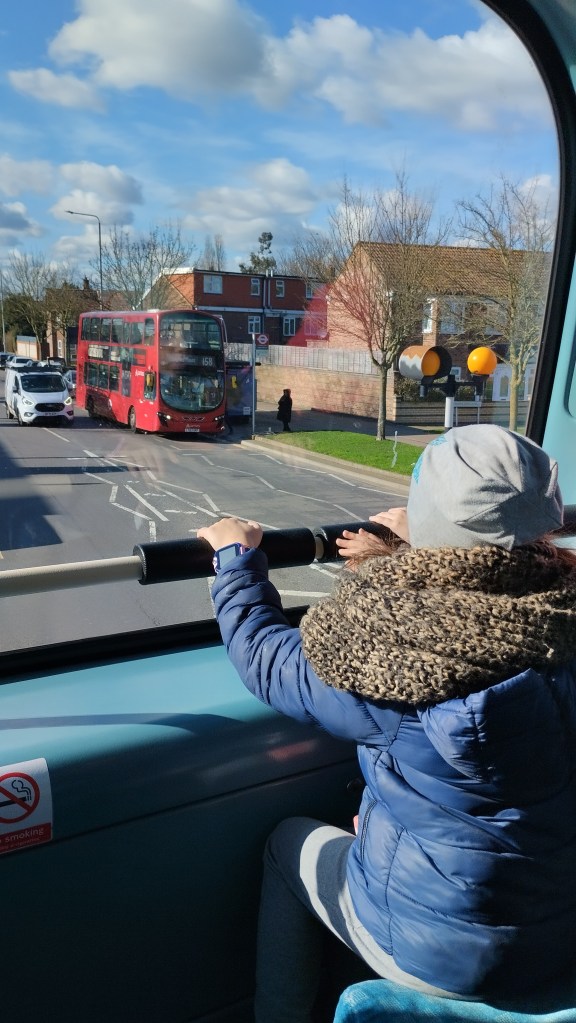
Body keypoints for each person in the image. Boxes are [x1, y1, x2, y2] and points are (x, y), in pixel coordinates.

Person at [197, 424, 576, 1023]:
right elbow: (490, 583)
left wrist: (235, 561)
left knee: (286, 845)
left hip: (443, 956)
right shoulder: (561, 615)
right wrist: (423, 544)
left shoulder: (396, 658)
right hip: (559, 933)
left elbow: (267, 660)